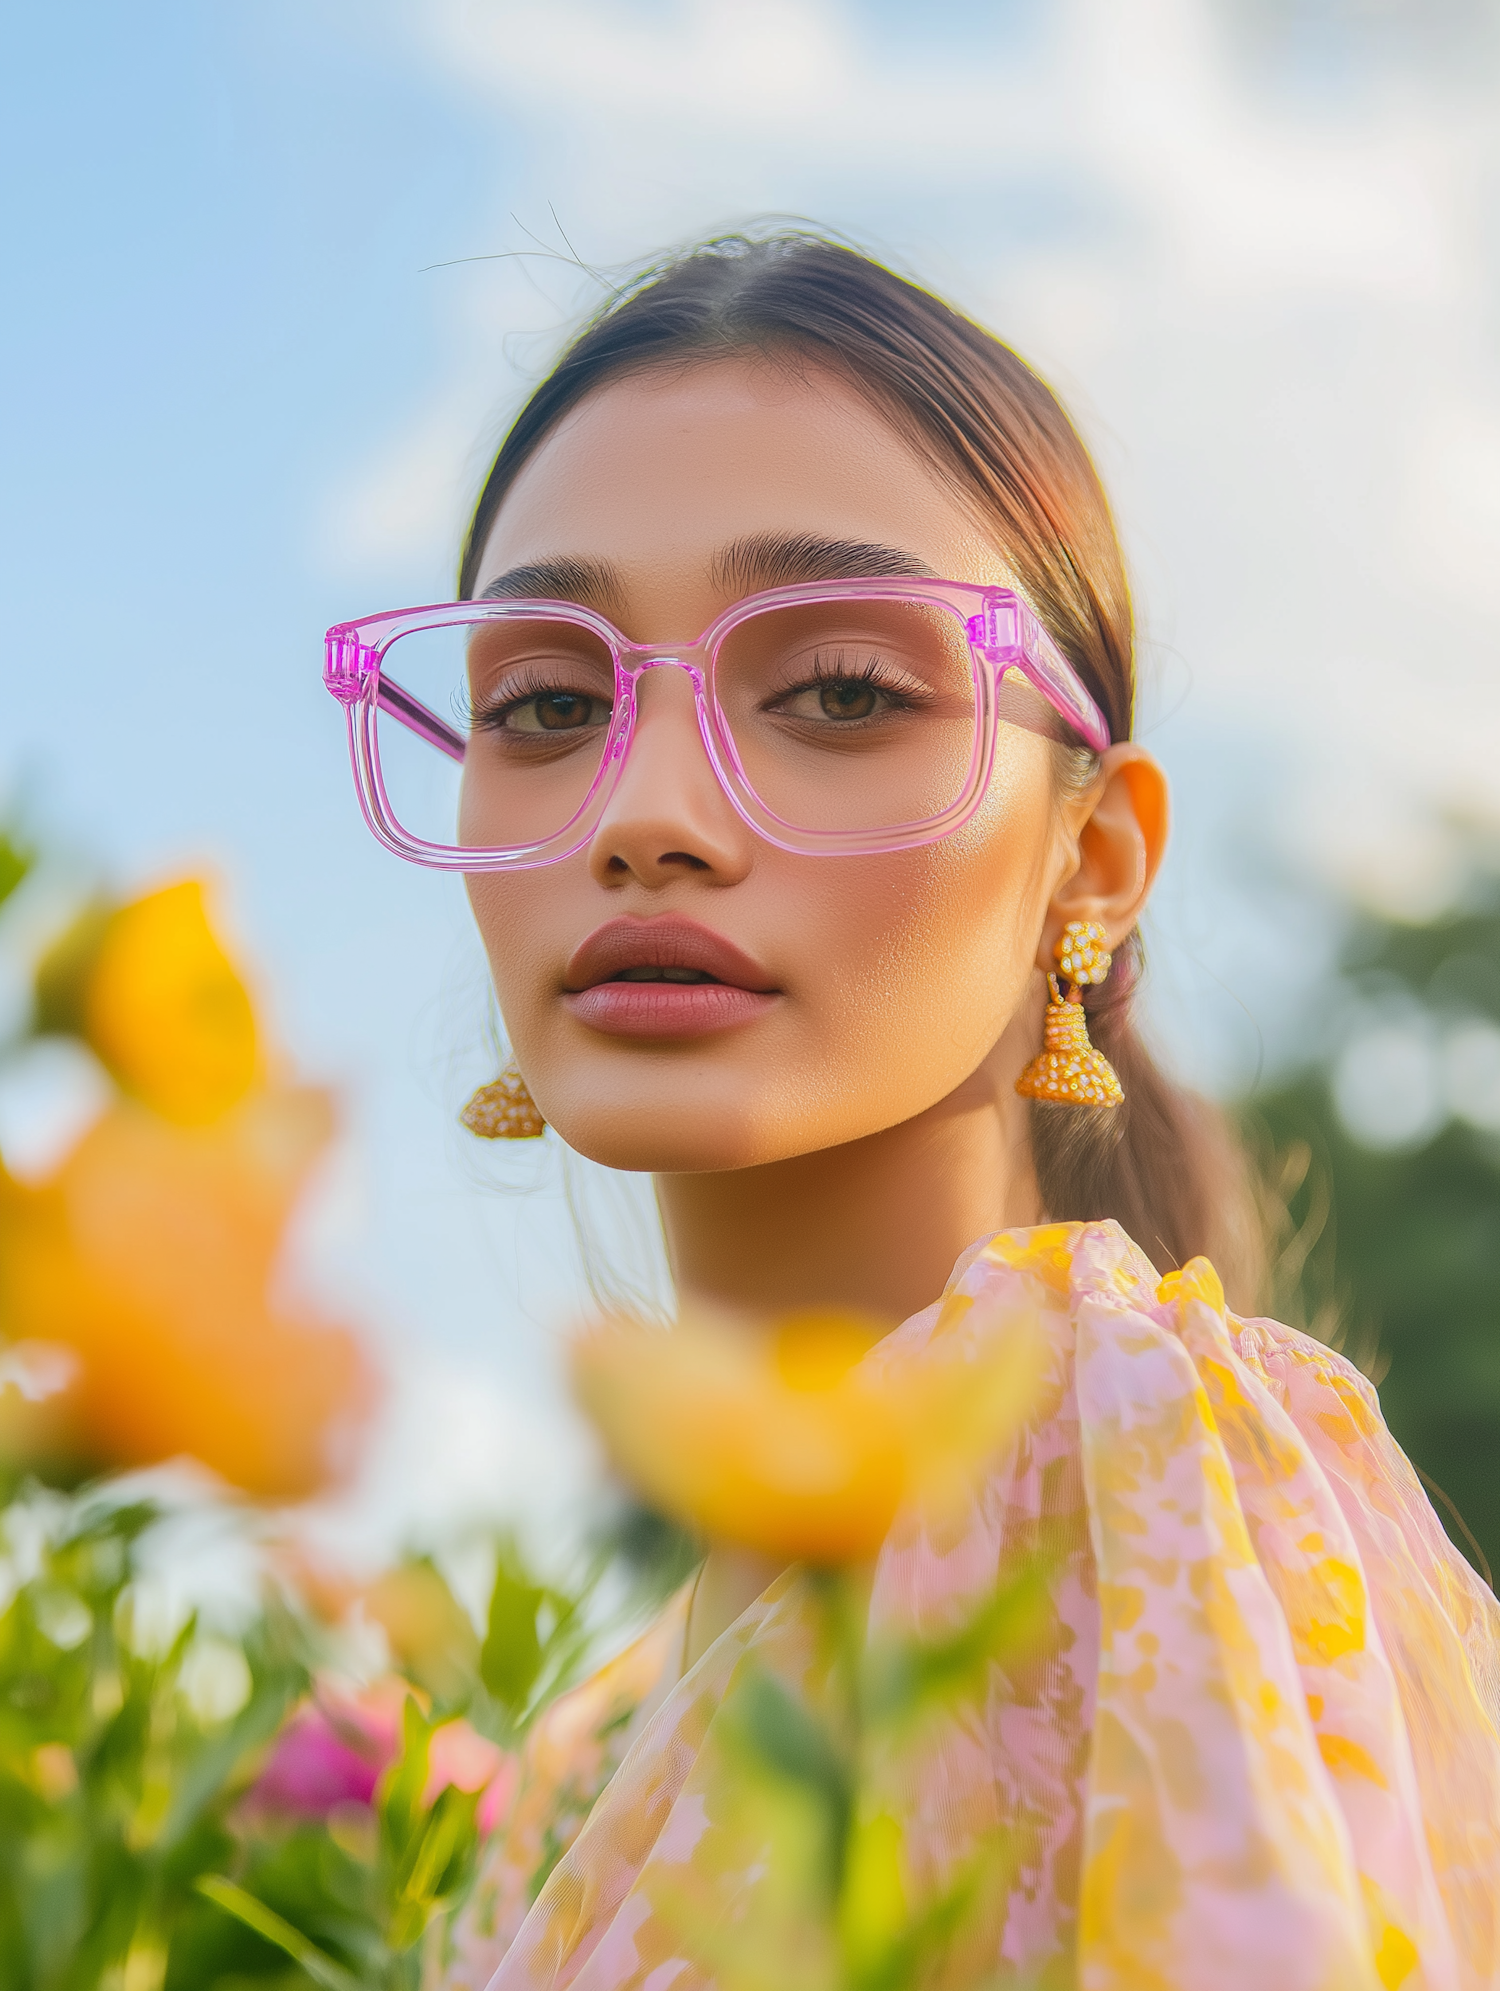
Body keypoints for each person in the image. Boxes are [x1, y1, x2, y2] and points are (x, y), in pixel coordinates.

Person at [323, 234, 1500, 1989]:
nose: (645, 810)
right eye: (548, 702)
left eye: (845, 693)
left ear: (1088, 863)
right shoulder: (585, 1754)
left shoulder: (1149, 1453)